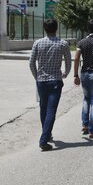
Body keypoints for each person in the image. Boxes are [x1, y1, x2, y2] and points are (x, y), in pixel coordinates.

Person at [29, 19, 71, 151]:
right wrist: (65, 73)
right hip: (55, 80)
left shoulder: (38, 43)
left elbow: (31, 62)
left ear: (44, 28)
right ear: (56, 28)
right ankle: (43, 139)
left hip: (41, 81)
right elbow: (68, 61)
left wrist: (37, 76)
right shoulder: (62, 43)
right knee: (51, 110)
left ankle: (46, 133)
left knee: (43, 108)